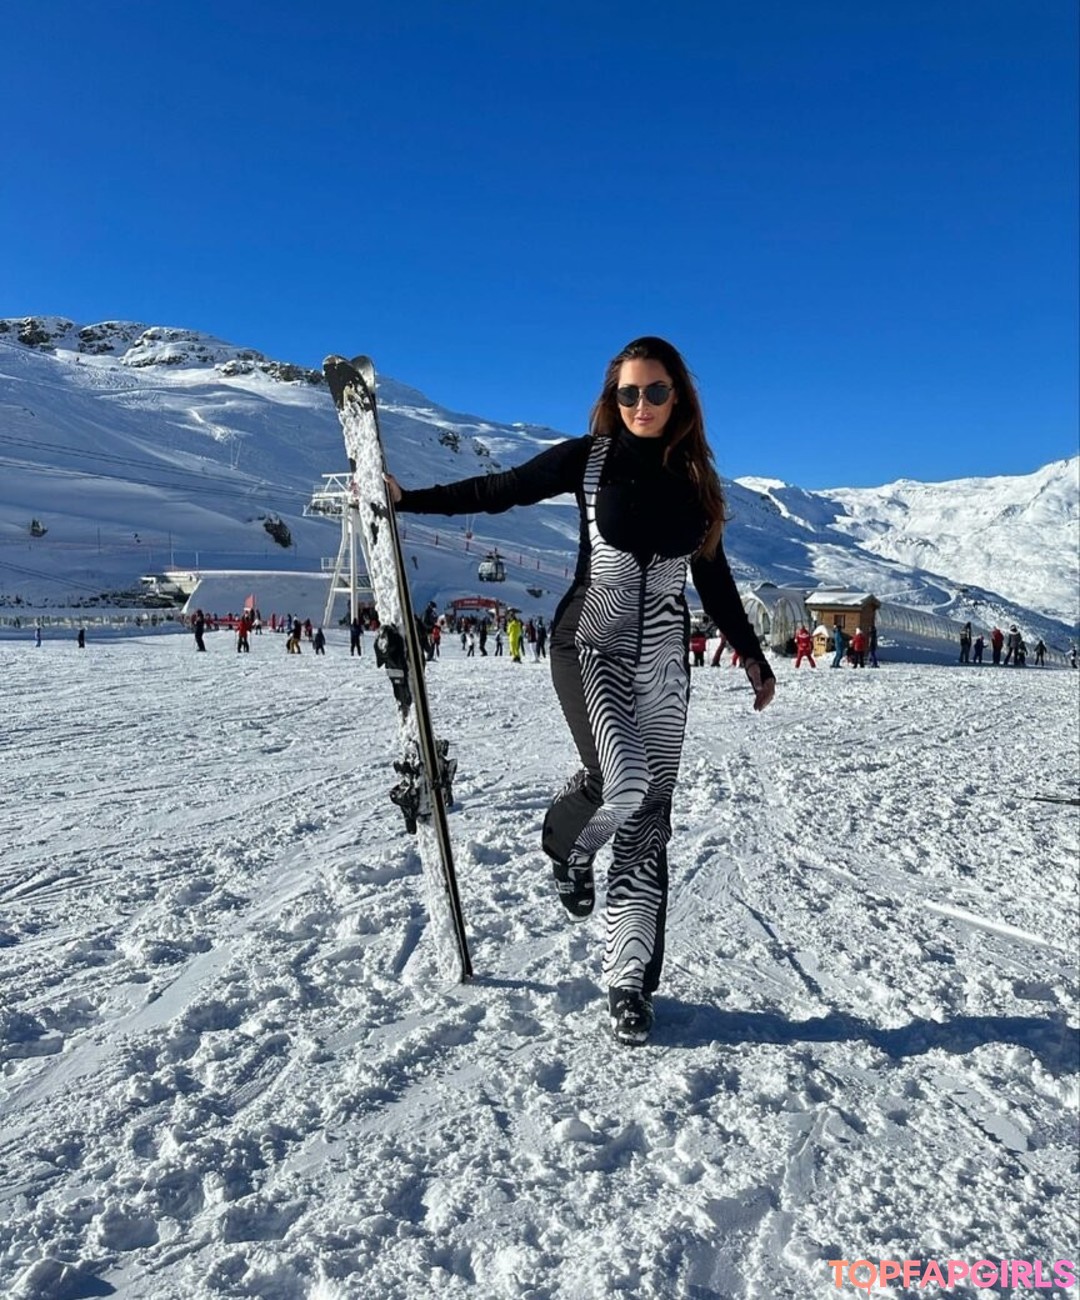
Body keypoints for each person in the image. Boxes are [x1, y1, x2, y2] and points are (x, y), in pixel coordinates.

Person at [387, 335, 775, 1045]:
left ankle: (630, 984)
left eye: (655, 391)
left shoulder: (698, 484)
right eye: (628, 393)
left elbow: (714, 578)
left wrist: (751, 655)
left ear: (679, 397)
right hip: (589, 643)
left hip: (664, 665)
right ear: (612, 399)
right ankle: (568, 843)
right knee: (621, 781)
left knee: (649, 819)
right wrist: (407, 500)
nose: (641, 405)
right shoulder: (588, 460)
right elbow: (499, 491)